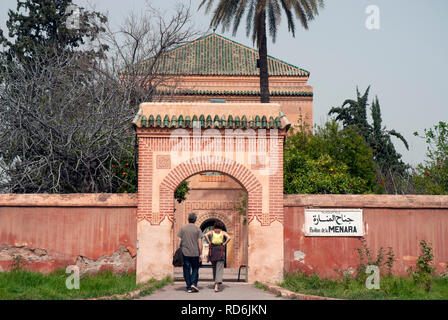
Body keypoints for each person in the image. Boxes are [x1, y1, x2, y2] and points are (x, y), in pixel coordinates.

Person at [177, 213, 202, 293]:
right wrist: (200, 253)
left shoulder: (183, 228)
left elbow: (179, 241)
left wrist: (178, 250)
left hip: (185, 253)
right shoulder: (198, 229)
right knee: (195, 268)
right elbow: (200, 243)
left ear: (188, 219)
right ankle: (194, 283)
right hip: (195, 253)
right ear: (195, 220)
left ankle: (188, 287)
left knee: (186, 270)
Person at [204, 220, 231, 292]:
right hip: (220, 250)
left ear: (214, 226)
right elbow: (229, 238)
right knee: (219, 268)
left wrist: (209, 242)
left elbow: (205, 235)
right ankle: (216, 284)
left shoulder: (212, 232)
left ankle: (216, 282)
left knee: (214, 267)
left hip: (213, 250)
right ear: (221, 226)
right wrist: (224, 243)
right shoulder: (222, 232)